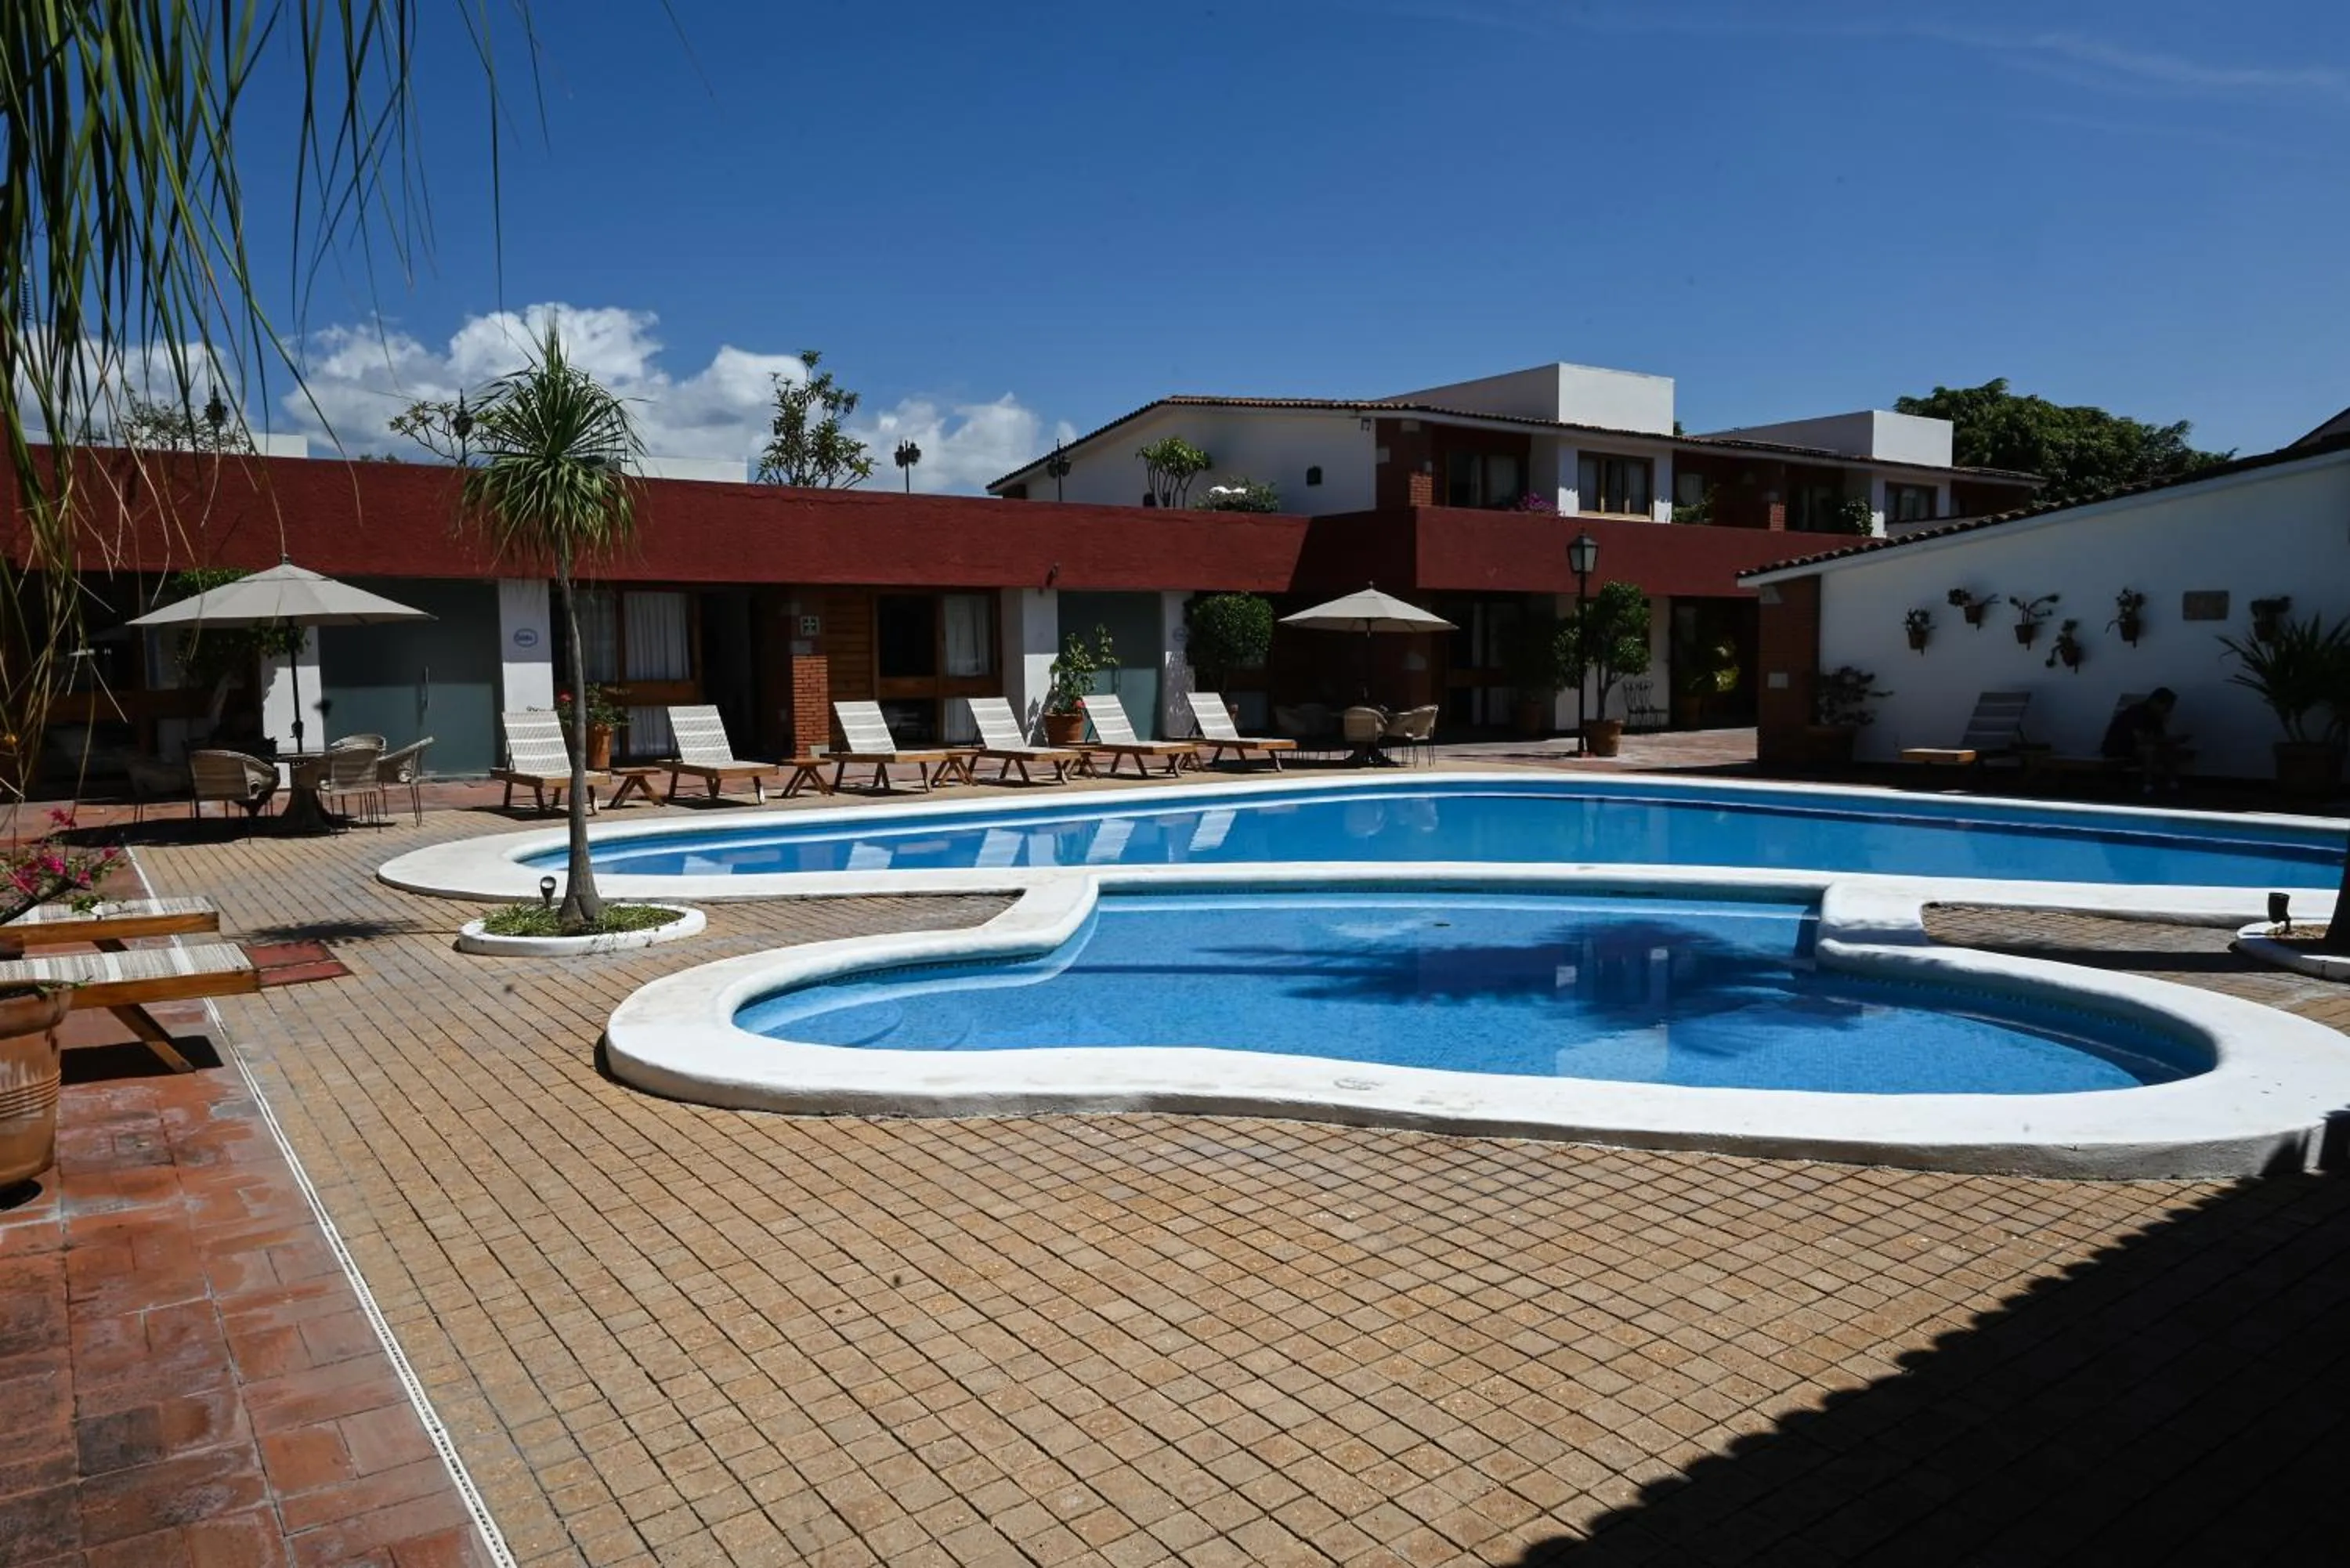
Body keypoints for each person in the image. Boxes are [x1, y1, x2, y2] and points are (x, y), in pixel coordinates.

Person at [2101, 688, 2189, 793]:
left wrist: (2172, 741)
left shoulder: (2156, 717)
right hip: (2118, 748)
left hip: (2134, 748)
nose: (2169, 711)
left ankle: (2172, 783)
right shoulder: (2136, 712)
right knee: (2149, 750)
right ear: (2155, 702)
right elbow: (2141, 739)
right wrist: (2170, 740)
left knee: (2167, 748)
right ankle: (2147, 785)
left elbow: (2159, 738)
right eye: (2167, 707)